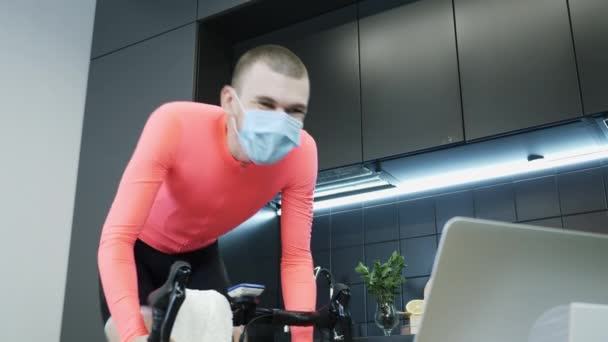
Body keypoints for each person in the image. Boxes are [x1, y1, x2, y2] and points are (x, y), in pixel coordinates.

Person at [98, 44, 318, 342]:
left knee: (232, 335)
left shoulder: (302, 154)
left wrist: (303, 339)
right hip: (137, 252)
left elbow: (296, 258)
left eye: (294, 111)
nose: (280, 121)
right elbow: (117, 238)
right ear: (229, 100)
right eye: (265, 104)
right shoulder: (174, 123)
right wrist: (131, 335)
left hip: (201, 255)